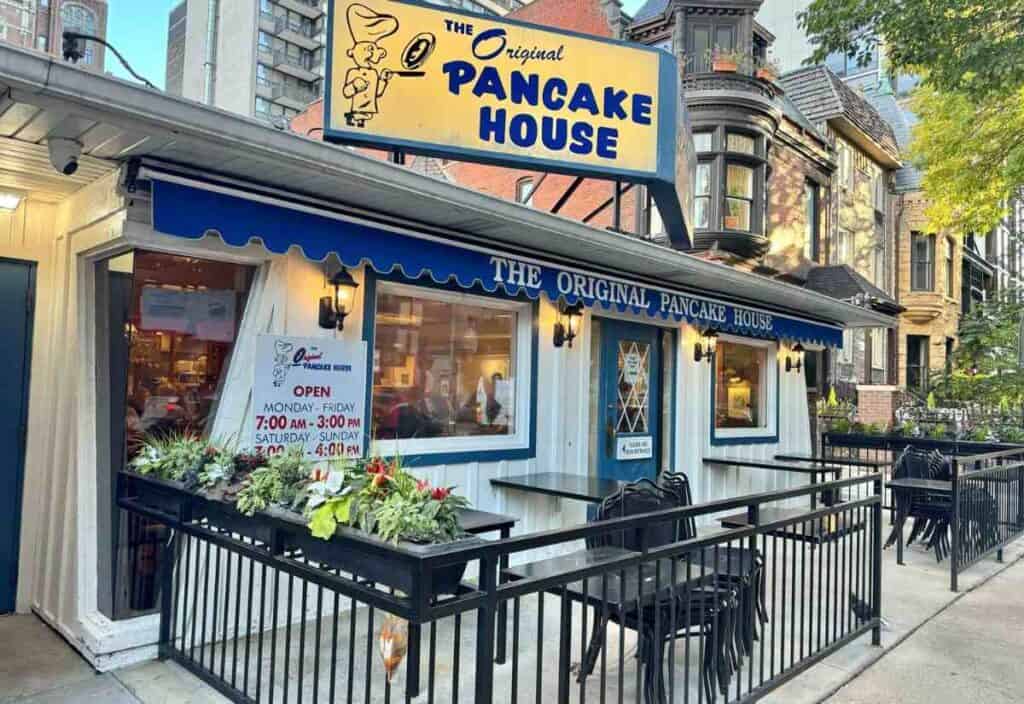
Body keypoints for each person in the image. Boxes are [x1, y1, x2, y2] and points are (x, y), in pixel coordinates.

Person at [342, 4, 398, 127]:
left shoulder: (374, 73)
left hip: (369, 109)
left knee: (364, 122)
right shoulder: (353, 72)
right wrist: (354, 86)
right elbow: (346, 92)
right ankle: (351, 119)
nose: (373, 54)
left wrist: (383, 80)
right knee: (358, 124)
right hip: (357, 108)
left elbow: (377, 92)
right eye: (369, 49)